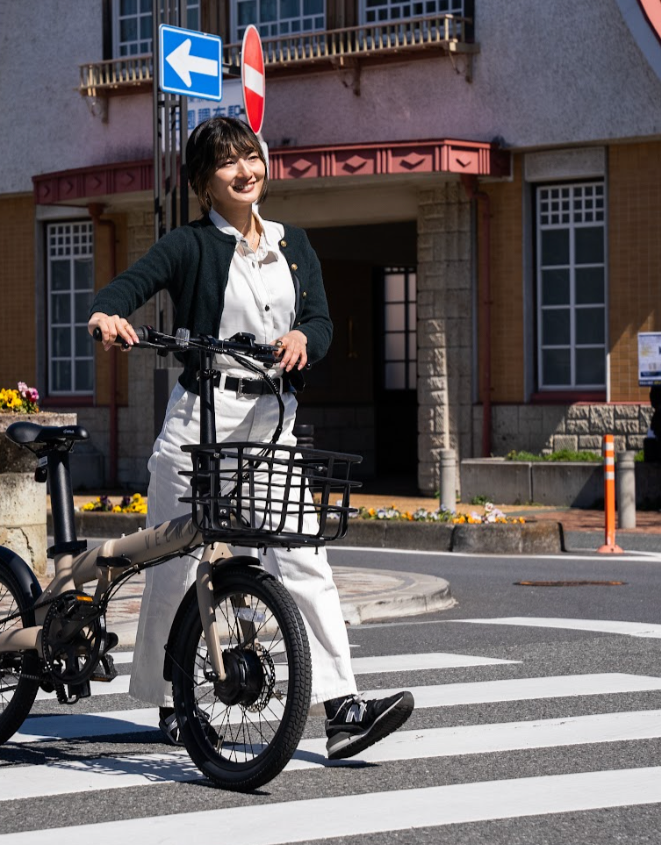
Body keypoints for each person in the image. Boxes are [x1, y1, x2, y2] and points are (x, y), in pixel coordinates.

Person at [87, 116, 413, 760]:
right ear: (205, 183)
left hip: (273, 422)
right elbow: (133, 284)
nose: (247, 170)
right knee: (175, 566)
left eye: (252, 157)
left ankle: (342, 709)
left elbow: (317, 319)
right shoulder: (190, 245)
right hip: (200, 422)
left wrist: (303, 339)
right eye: (229, 163)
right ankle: (168, 704)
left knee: (303, 558)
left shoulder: (294, 245)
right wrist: (108, 312)